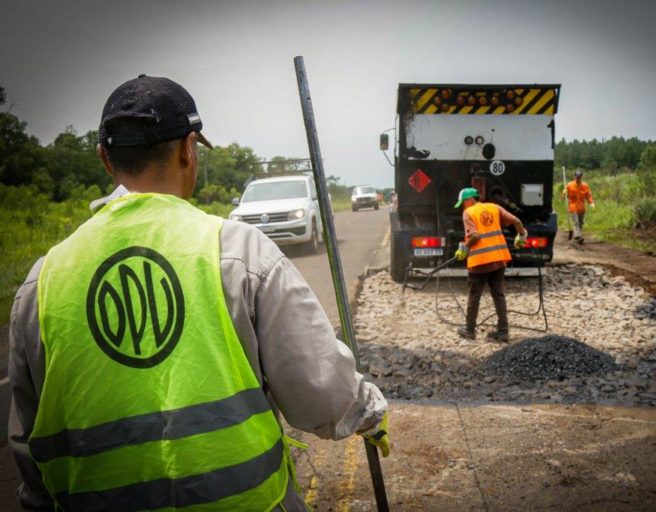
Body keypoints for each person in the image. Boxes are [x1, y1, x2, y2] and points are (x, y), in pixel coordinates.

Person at [8, 75, 389, 511]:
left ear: (105, 159)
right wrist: (368, 412)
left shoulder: (42, 281)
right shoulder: (240, 252)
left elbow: (28, 442)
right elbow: (321, 394)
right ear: (189, 148)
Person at [453, 187, 527, 342]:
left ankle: (469, 330)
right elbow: (517, 221)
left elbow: (475, 235)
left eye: (463, 203)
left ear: (469, 200)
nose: (463, 206)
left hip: (480, 262)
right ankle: (503, 332)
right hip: (498, 260)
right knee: (498, 295)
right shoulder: (494, 207)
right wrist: (521, 236)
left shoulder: (469, 213)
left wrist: (465, 249)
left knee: (474, 296)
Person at [562, 169, 595, 244]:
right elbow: (564, 197)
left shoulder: (585, 186)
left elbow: (588, 195)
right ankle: (578, 236)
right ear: (574, 176)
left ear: (581, 177)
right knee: (576, 222)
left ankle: (577, 238)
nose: (578, 178)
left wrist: (591, 203)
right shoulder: (570, 185)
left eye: (579, 177)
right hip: (573, 207)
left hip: (581, 208)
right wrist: (564, 193)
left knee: (580, 223)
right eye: (577, 177)